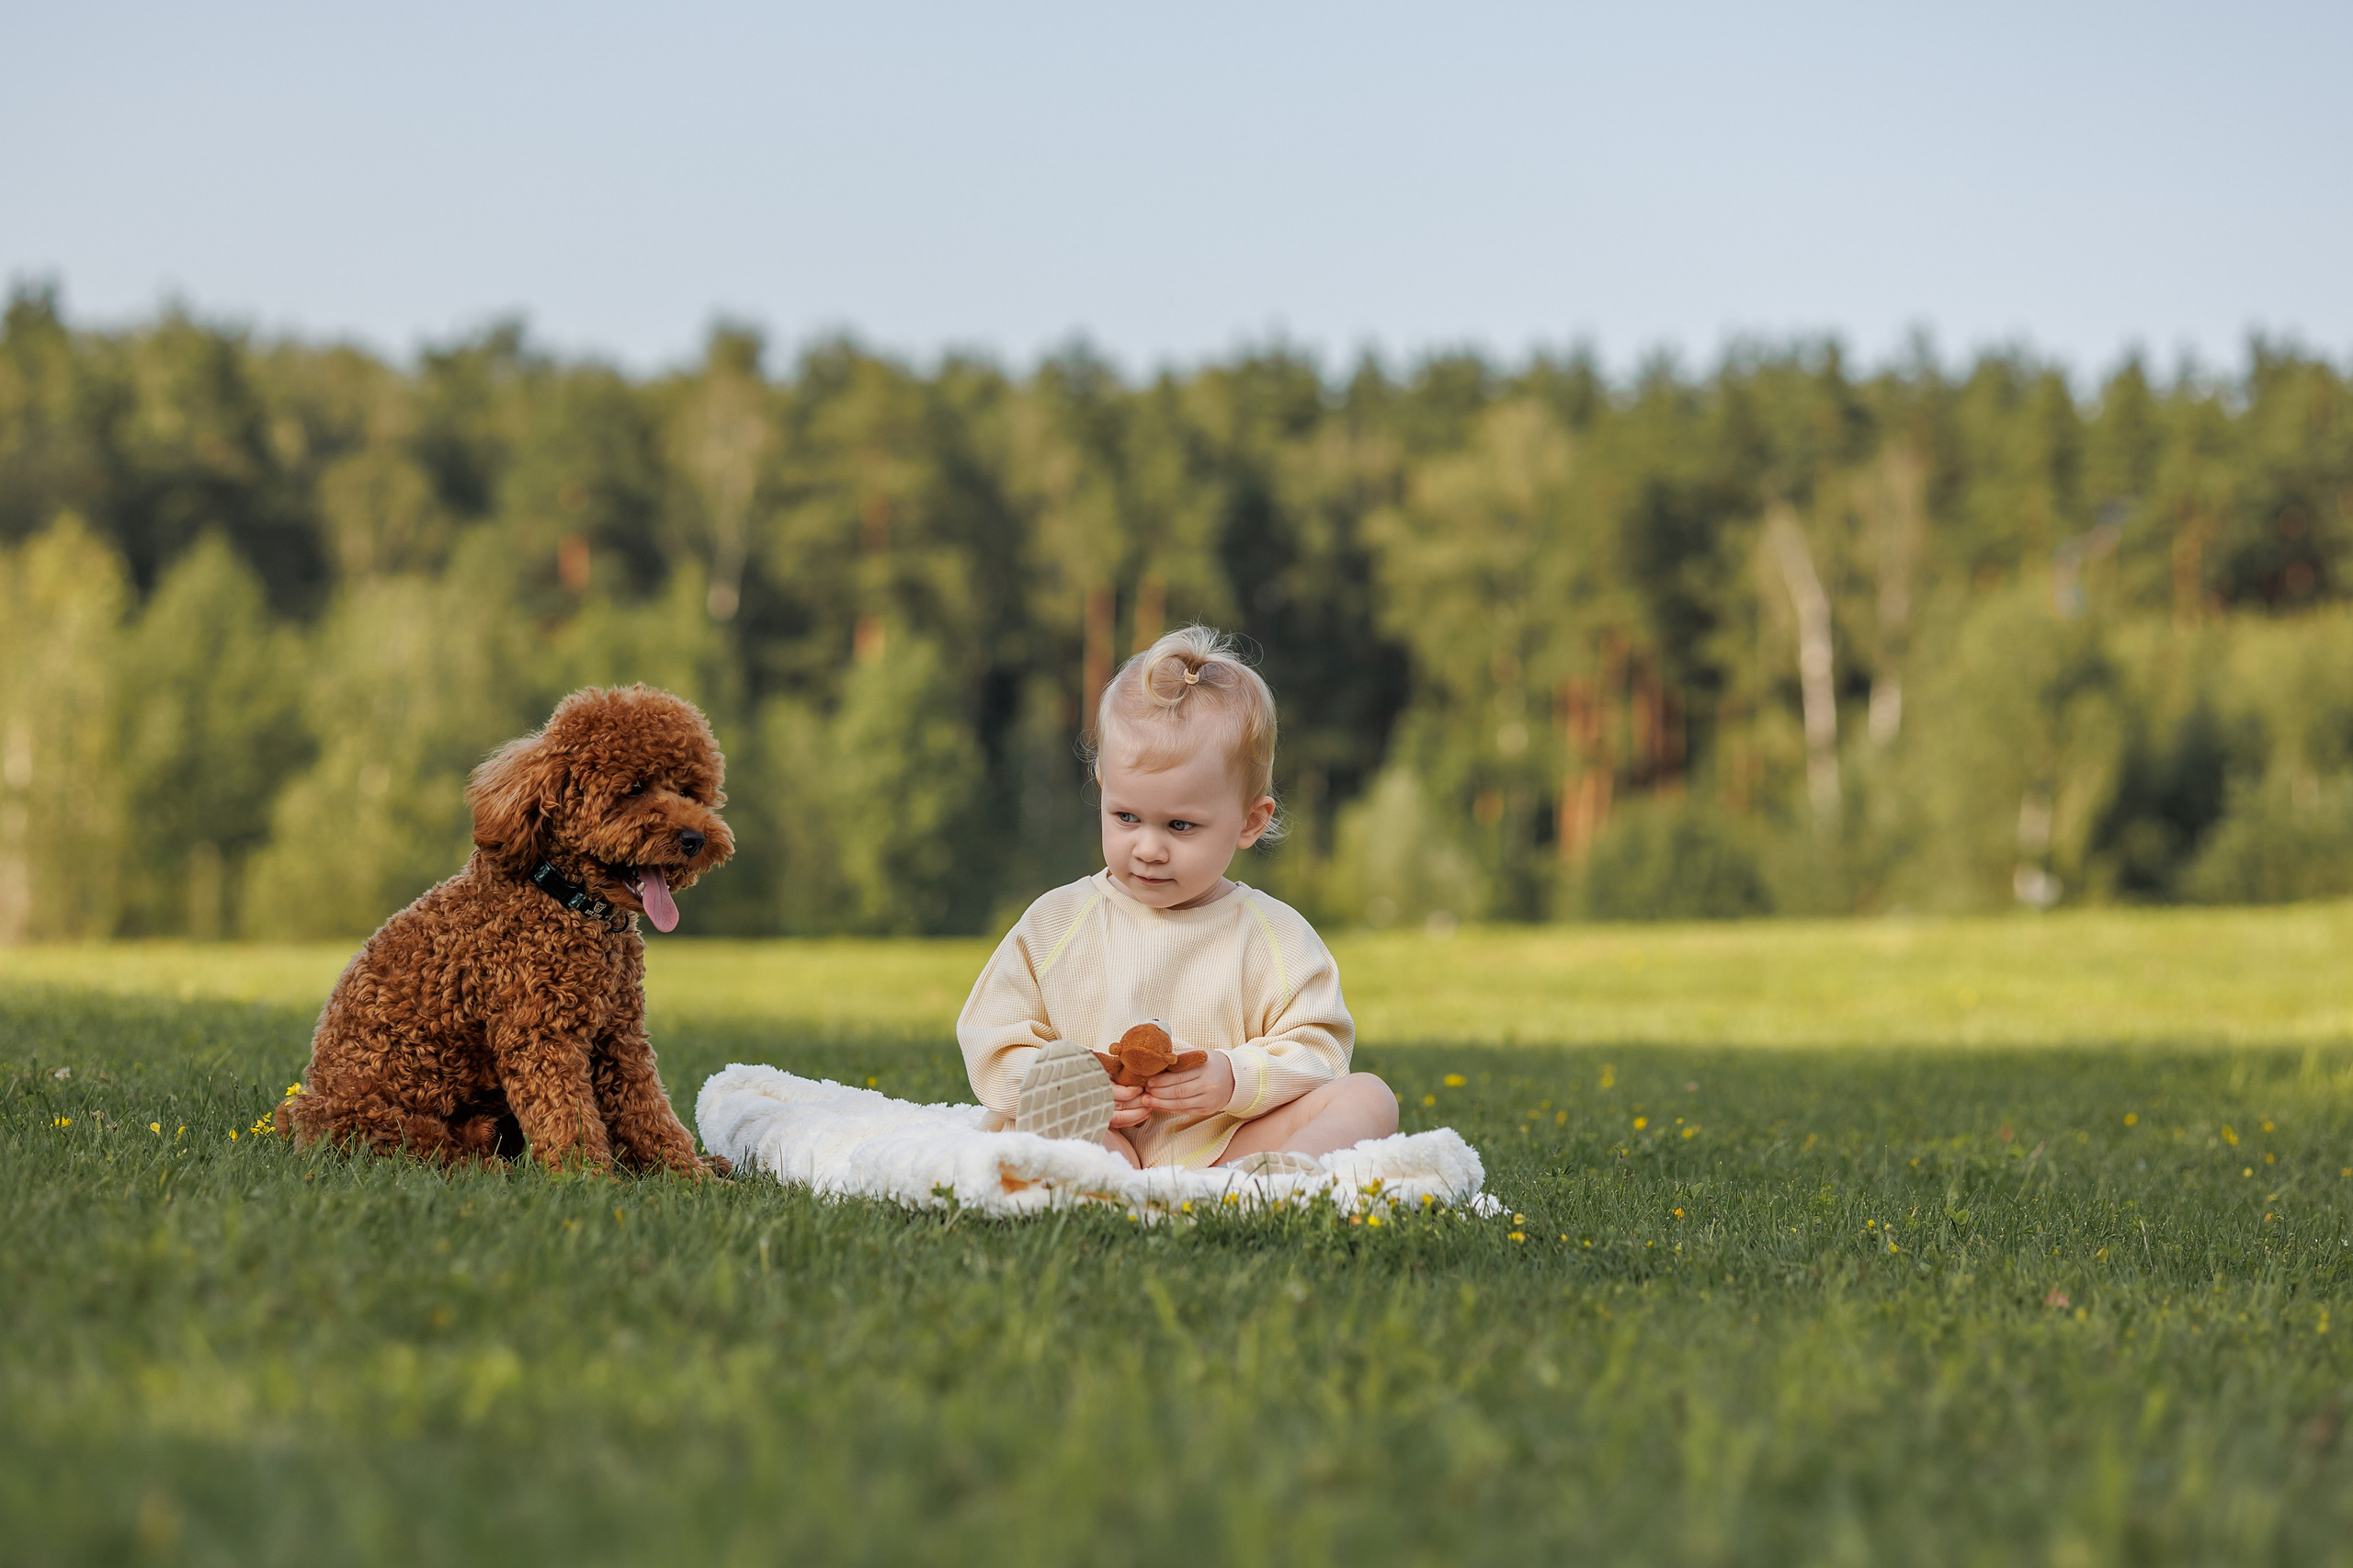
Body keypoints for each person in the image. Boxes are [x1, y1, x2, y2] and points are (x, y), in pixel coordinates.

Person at [957, 626, 1398, 1172]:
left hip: (1229, 1146)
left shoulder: (1272, 936)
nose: (1148, 848)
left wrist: (1236, 1077)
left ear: (1250, 821)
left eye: (1180, 825)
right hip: (1103, 1137)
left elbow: (1320, 1044)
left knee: (1369, 1097)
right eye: (1125, 817)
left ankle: (1282, 1179)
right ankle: (1106, 1179)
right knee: (1045, 1119)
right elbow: (994, 1033)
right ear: (1102, 788)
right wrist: (1068, 1086)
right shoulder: (1057, 922)